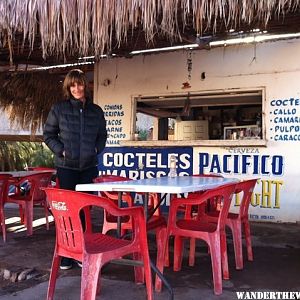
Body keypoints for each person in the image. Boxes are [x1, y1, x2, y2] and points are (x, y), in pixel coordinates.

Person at [43, 69, 107, 269]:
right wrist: (61, 151)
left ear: (85, 86)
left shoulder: (96, 111)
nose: (77, 89)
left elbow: (102, 135)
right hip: (67, 167)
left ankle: (82, 251)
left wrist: (97, 149)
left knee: (85, 210)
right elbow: (49, 135)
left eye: (80, 84)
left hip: (89, 167)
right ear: (68, 88)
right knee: (68, 211)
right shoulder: (59, 109)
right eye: (73, 85)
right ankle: (67, 253)